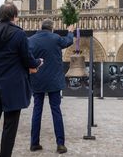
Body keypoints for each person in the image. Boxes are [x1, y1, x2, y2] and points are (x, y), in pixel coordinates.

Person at [0, 2, 43, 157]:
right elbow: (28, 60)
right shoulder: (19, 34)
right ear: (14, 16)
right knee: (10, 124)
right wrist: (38, 62)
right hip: (13, 85)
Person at [28, 19, 74, 154]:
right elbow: (68, 42)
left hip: (37, 80)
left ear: (40, 27)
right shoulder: (55, 38)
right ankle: (60, 144)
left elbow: (27, 57)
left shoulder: (31, 40)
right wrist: (70, 32)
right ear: (52, 28)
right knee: (56, 111)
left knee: (37, 111)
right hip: (53, 81)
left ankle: (34, 143)